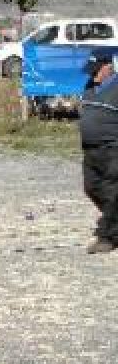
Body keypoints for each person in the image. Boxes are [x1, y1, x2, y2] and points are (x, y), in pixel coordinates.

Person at [79, 51, 118, 254]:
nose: (92, 76)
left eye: (95, 71)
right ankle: (113, 221)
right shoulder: (89, 87)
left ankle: (107, 236)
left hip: (113, 148)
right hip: (91, 150)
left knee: (113, 192)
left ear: (108, 67)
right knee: (91, 188)